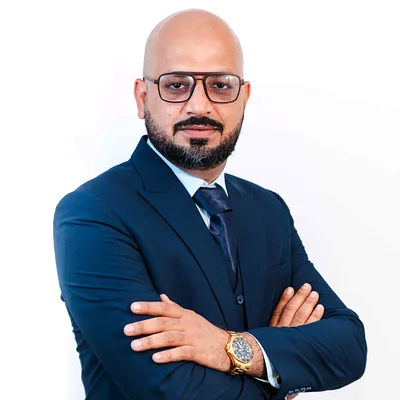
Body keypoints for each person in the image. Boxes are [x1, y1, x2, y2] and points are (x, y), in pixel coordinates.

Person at [53, 8, 367, 400]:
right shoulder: (93, 213)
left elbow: (349, 346)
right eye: (176, 85)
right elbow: (168, 390)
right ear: (142, 97)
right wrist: (278, 372)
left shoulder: (269, 210)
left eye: (220, 85)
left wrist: (228, 347)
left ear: (244, 98)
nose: (199, 106)